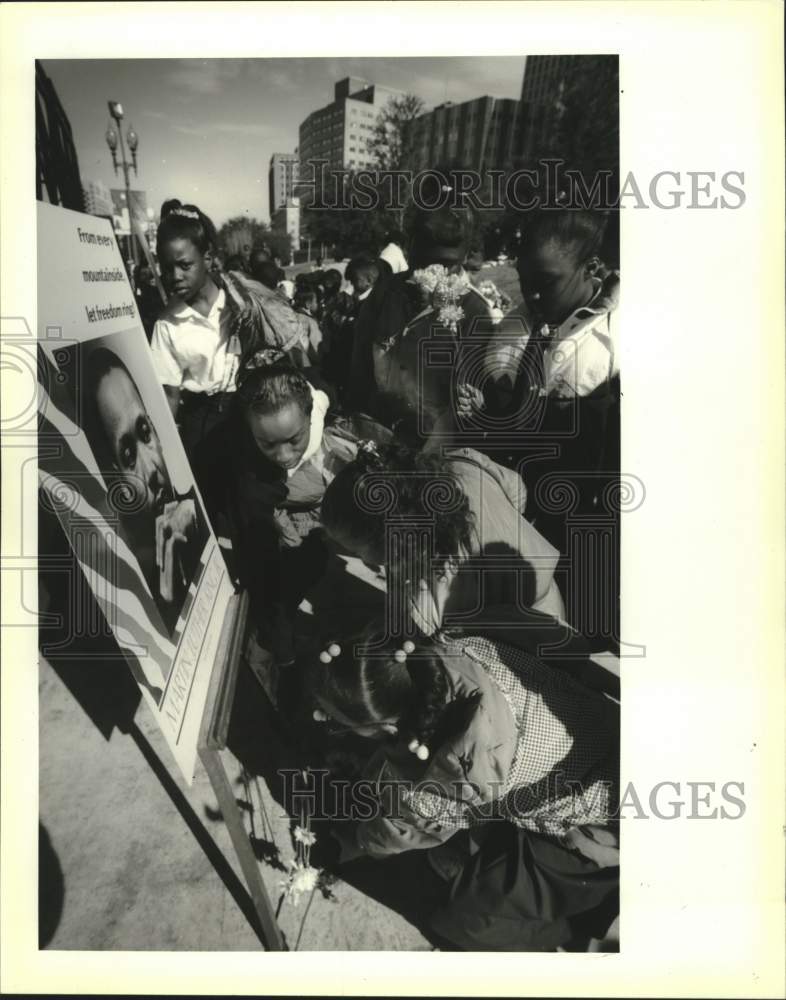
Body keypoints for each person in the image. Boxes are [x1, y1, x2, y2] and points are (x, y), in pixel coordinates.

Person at [306, 623, 619, 951]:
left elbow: (400, 832)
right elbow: (552, 639)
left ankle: (571, 928)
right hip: (608, 732)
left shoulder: (438, 782)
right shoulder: (463, 642)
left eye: (332, 721)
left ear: (385, 726)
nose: (326, 723)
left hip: (597, 829)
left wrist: (355, 841)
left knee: (467, 923)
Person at [194, 351, 359, 660]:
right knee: (265, 572)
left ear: (312, 414)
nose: (283, 455)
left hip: (282, 493)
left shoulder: (318, 396)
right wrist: (280, 641)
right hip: (233, 495)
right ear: (250, 431)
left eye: (294, 440)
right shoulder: (248, 475)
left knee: (313, 554)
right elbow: (261, 566)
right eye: (269, 443)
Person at [321, 441, 566, 630]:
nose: (361, 560)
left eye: (357, 551)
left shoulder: (432, 592)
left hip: (526, 635)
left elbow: (431, 637)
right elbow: (516, 489)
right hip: (548, 596)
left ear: (390, 541)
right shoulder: (461, 464)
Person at [83, 346, 208, 634]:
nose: (152, 469)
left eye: (144, 432)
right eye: (128, 455)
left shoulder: (198, 511)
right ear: (111, 476)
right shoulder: (122, 579)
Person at [150, 201, 242, 459]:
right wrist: (165, 449)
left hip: (246, 410)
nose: (175, 275)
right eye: (167, 268)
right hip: (199, 421)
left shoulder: (238, 303)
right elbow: (169, 394)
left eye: (184, 265)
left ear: (208, 259)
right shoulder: (167, 324)